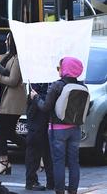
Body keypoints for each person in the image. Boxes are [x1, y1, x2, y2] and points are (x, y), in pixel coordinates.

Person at [30, 57, 87, 194]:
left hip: (58, 130)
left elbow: (45, 107)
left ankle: (60, 191)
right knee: (74, 162)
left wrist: (36, 97)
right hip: (75, 129)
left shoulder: (57, 85)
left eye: (59, 67)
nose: (59, 70)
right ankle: (73, 190)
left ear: (65, 69)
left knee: (58, 162)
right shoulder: (83, 86)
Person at [0, 32, 26, 180]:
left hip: (12, 101)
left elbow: (13, 80)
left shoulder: (18, 59)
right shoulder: (8, 56)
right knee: (9, 132)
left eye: (7, 39)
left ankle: (4, 161)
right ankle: (34, 151)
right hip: (4, 98)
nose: (5, 41)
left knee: (0, 129)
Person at [24, 82, 53, 191]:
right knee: (37, 149)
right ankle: (32, 181)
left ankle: (49, 181)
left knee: (44, 149)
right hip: (38, 114)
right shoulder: (38, 74)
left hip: (37, 114)